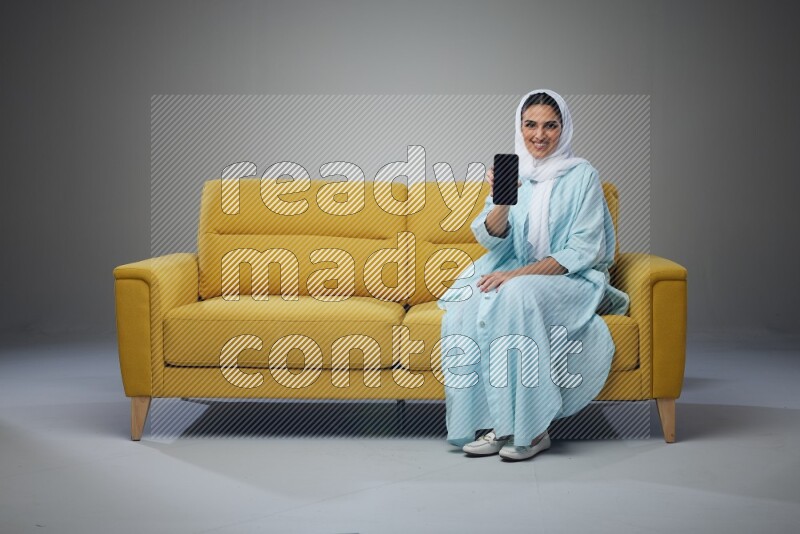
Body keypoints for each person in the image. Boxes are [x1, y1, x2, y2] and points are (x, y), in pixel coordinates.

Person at [436, 89, 631, 461]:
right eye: (530, 125)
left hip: (570, 280)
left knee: (515, 294)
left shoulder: (583, 176)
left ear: (564, 128)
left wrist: (519, 276)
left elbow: (582, 250)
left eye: (550, 126)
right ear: (520, 127)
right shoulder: (517, 173)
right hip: (518, 272)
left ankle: (534, 429)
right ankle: (499, 424)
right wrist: (503, 202)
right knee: (470, 302)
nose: (539, 135)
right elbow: (490, 238)